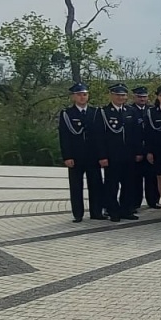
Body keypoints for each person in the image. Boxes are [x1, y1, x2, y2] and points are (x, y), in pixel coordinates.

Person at [57, 82, 105, 222]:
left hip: (93, 156)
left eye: (84, 94)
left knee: (96, 185)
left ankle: (97, 212)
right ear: (73, 97)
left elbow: (100, 136)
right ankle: (78, 214)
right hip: (76, 156)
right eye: (79, 95)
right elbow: (64, 136)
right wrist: (67, 156)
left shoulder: (95, 112)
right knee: (76, 186)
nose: (82, 97)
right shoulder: (67, 114)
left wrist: (102, 155)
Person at [99, 84, 141, 220]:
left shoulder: (131, 111)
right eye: (117, 95)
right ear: (111, 95)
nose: (120, 97)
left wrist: (138, 152)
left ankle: (126, 210)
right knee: (112, 184)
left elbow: (137, 134)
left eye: (123, 95)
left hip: (129, 155)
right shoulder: (104, 112)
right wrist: (102, 156)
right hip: (112, 155)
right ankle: (112, 211)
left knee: (129, 184)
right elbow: (99, 137)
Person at [133, 86, 161, 209]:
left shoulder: (151, 110)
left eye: (144, 97)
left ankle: (153, 200)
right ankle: (135, 203)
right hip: (137, 150)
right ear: (134, 97)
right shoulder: (130, 110)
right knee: (136, 180)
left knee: (152, 178)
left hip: (150, 149)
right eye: (139, 97)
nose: (142, 99)